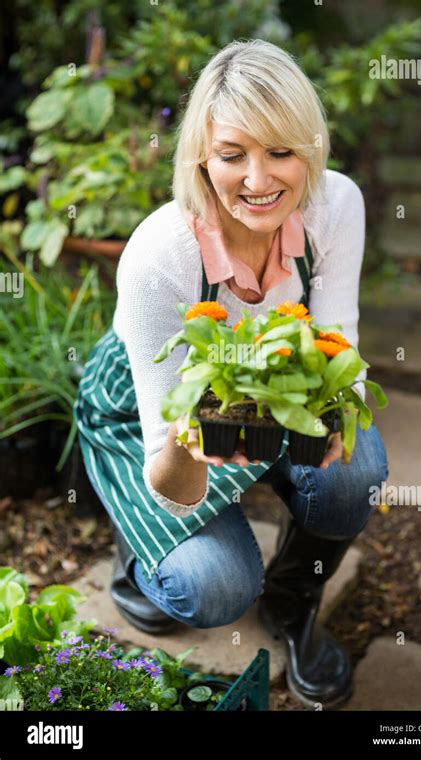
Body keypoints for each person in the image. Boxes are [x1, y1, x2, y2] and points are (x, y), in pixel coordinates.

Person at [73, 38, 389, 710]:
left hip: (270, 388)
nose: (258, 179)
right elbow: (171, 477)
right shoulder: (161, 253)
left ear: (311, 146)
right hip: (148, 412)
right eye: (232, 154)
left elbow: (340, 347)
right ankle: (138, 560)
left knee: (355, 473)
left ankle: (293, 599)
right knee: (210, 590)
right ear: (200, 157)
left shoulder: (336, 205)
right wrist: (191, 445)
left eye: (281, 151)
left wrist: (337, 421)